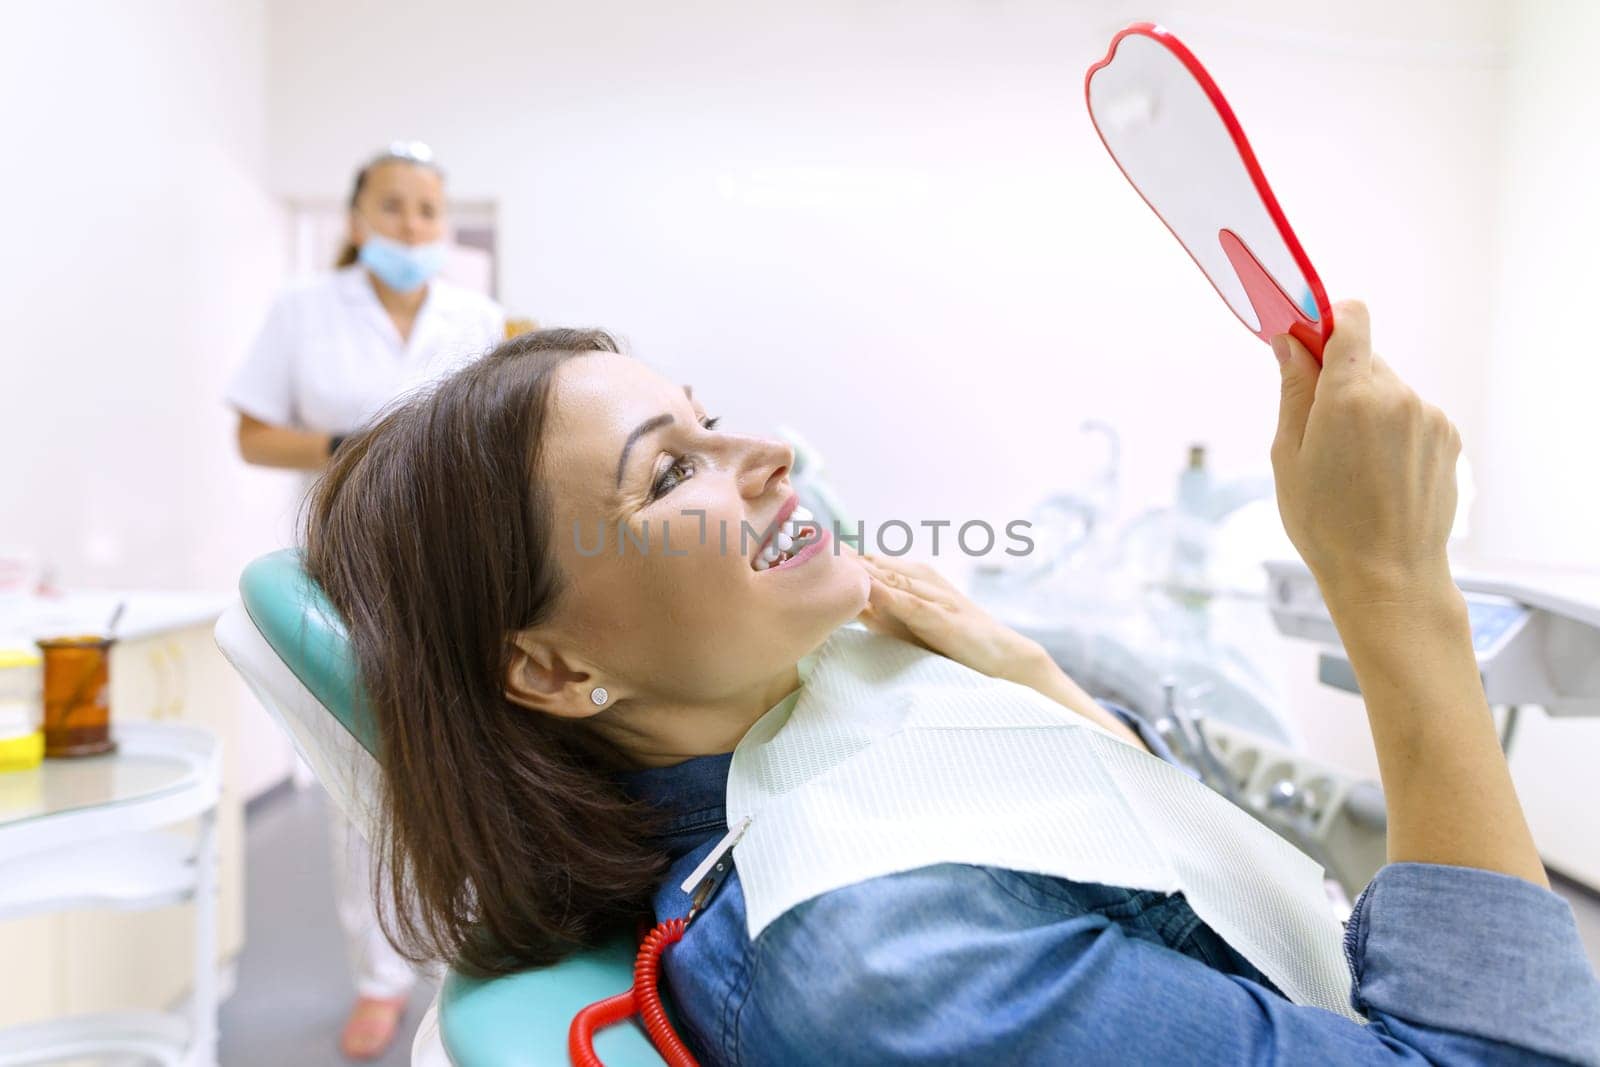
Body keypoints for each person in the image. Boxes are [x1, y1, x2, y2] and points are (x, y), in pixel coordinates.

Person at [301, 306, 1600, 1064]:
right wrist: (1397, 594)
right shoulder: (880, 951)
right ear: (555, 664)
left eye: (712, 416)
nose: (771, 453)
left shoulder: (856, 674)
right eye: (668, 471)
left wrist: (1043, 685)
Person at [226, 142, 504, 1059]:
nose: (412, 225)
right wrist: (358, 441)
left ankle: (477, 957)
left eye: (428, 209)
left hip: (457, 566)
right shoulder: (303, 310)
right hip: (340, 566)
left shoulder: (478, 315)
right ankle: (380, 981)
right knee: (363, 777)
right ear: (356, 220)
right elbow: (256, 434)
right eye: (392, 207)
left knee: (475, 766)